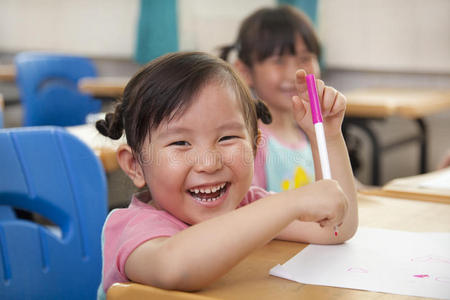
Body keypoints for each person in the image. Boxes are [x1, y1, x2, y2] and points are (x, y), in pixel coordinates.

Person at [95, 51, 357, 297]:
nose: (209, 163)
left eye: (227, 138)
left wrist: (328, 136)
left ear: (254, 146)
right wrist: (291, 203)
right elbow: (176, 267)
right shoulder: (133, 227)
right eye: (180, 143)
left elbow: (334, 228)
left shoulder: (248, 205)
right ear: (135, 165)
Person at [220, 5, 329, 192]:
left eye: (305, 59)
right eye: (279, 61)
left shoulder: (311, 132)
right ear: (245, 71)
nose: (296, 73)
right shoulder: (253, 143)